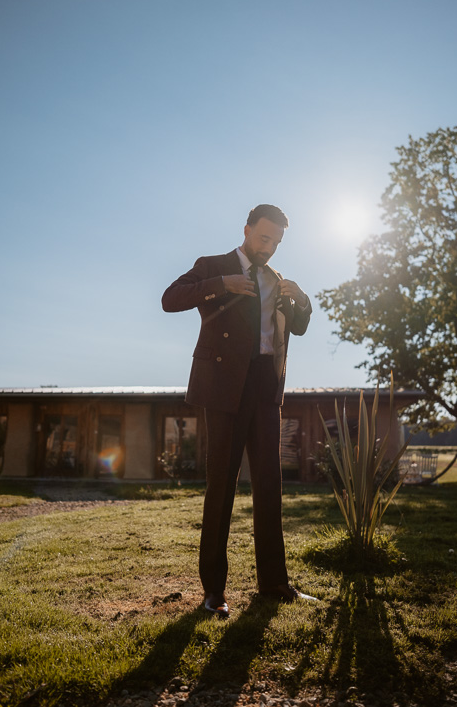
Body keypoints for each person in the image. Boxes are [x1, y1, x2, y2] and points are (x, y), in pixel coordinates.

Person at [161, 204, 317, 619]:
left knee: (270, 486)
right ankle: (213, 590)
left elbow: (298, 326)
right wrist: (220, 284)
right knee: (221, 487)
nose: (268, 247)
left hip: (267, 388)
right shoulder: (214, 266)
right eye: (264, 238)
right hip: (225, 389)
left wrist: (301, 299)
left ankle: (275, 583)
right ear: (247, 230)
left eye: (276, 242)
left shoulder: (277, 280)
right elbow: (169, 299)